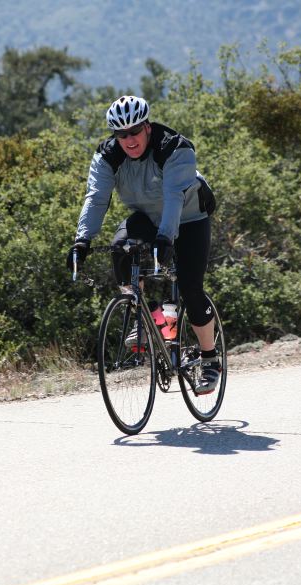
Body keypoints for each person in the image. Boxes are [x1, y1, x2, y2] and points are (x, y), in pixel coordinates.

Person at [67, 95, 221, 394]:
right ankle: (147, 314)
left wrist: (166, 238)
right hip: (147, 217)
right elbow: (96, 199)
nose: (129, 140)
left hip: (189, 217)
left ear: (147, 127)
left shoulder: (174, 148)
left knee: (190, 286)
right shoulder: (108, 156)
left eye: (135, 131)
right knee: (120, 249)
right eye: (121, 134)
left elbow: (175, 196)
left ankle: (210, 358)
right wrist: (81, 240)